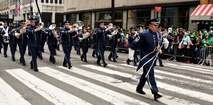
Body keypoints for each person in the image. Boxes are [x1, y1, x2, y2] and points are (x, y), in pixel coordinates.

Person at [131, 18, 163, 100]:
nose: (156, 27)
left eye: (157, 25)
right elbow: (134, 44)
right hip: (145, 58)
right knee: (150, 73)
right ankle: (155, 92)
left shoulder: (158, 34)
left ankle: (139, 88)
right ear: (150, 25)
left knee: (146, 73)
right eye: (155, 25)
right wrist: (136, 52)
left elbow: (159, 44)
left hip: (153, 58)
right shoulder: (144, 34)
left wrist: (159, 48)